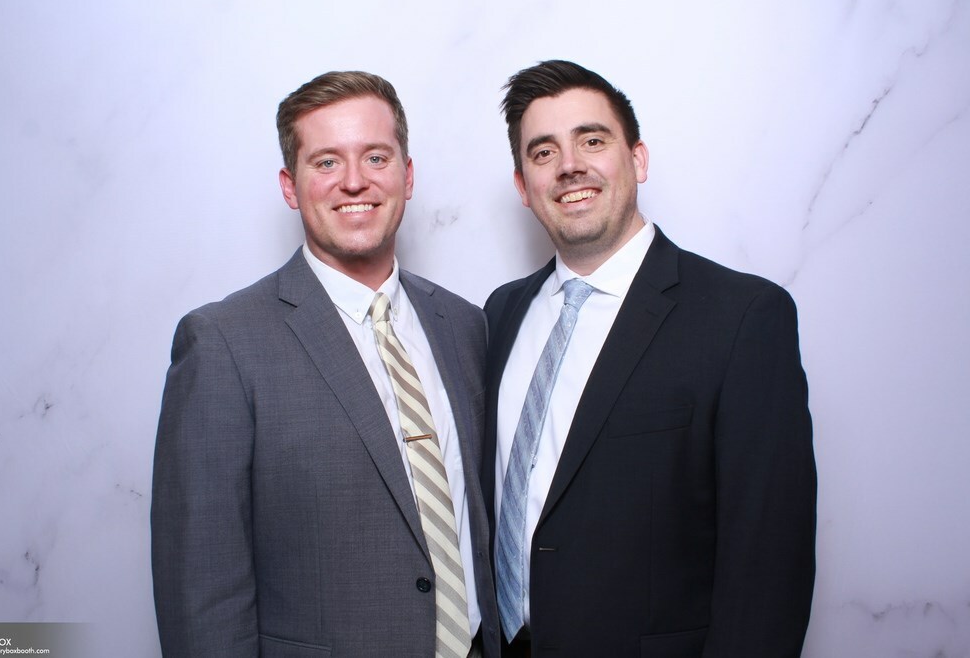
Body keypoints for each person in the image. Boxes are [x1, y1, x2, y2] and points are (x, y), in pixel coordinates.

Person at [152, 71, 500, 658]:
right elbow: (201, 590)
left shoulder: (464, 325)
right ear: (290, 187)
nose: (355, 181)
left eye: (376, 157)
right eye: (327, 162)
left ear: (408, 175)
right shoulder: (222, 343)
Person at [484, 60, 816, 657]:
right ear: (523, 186)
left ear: (637, 159)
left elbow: (769, 567)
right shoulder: (501, 313)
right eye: (544, 152)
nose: (569, 165)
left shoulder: (741, 317)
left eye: (592, 140)